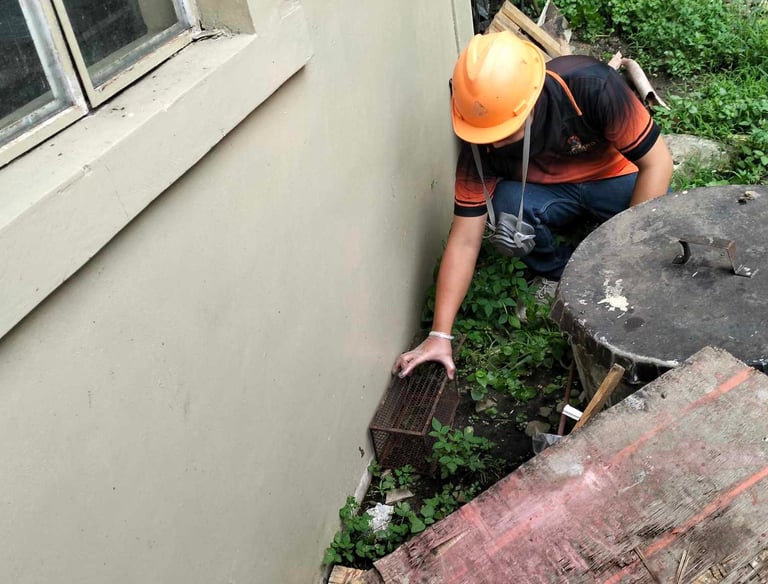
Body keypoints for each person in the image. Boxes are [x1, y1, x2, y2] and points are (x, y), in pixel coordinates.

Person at [393, 31, 673, 380]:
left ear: (533, 100)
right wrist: (439, 335)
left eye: (505, 132)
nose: (493, 143)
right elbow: (465, 239)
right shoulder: (479, 143)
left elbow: (658, 164)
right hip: (547, 194)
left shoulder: (591, 86)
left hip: (614, 178)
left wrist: (626, 255)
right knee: (507, 205)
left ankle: (612, 250)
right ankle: (557, 272)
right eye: (485, 134)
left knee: (652, 209)